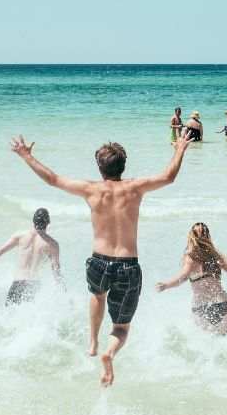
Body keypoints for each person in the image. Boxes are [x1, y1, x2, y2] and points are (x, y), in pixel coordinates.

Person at [10, 133, 193, 386]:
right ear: (123, 165)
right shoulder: (135, 188)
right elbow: (168, 177)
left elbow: (52, 179)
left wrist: (26, 155)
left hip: (98, 262)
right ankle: (109, 352)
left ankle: (93, 341)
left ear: (99, 167)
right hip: (128, 265)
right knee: (121, 328)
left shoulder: (91, 189)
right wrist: (180, 148)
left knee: (97, 296)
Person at [156, 222, 227, 335]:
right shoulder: (216, 254)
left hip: (201, 308)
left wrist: (166, 285)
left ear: (191, 236)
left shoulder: (190, 257)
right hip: (221, 303)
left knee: (206, 345)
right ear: (208, 236)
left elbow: (183, 277)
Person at [0, 207, 63, 305]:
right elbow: (56, 270)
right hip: (34, 285)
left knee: (9, 315)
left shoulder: (20, 236)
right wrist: (63, 291)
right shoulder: (52, 244)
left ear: (33, 221)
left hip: (18, 283)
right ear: (48, 223)